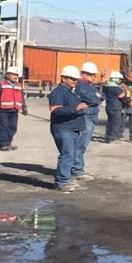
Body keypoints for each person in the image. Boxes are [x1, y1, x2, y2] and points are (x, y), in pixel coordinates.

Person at [48, 65, 89, 193]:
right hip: (63, 129)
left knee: (71, 155)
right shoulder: (58, 92)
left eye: (76, 80)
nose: (75, 82)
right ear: (64, 78)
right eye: (72, 79)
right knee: (67, 155)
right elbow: (55, 110)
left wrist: (79, 127)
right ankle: (61, 181)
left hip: (72, 129)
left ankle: (66, 178)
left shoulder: (71, 92)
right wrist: (75, 109)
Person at [72, 61, 102, 180]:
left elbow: (101, 95)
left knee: (83, 143)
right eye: (91, 74)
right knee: (81, 144)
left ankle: (77, 167)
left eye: (94, 75)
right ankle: (76, 169)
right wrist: (97, 98)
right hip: (85, 115)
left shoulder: (90, 85)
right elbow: (93, 99)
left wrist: (97, 97)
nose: (94, 77)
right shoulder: (81, 85)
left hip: (92, 114)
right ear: (83, 74)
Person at [0, 66, 28, 151]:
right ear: (7, 75)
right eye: (13, 74)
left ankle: (8, 143)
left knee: (13, 127)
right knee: (3, 127)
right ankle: (3, 144)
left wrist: (24, 107)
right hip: (3, 110)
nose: (15, 76)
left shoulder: (18, 85)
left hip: (14, 110)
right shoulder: (0, 85)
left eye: (16, 75)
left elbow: (21, 97)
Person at [102, 71, 125, 144]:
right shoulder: (115, 87)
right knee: (116, 122)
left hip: (109, 106)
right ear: (115, 79)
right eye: (119, 79)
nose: (120, 81)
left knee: (110, 122)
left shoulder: (107, 86)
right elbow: (120, 95)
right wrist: (126, 93)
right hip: (115, 107)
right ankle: (113, 138)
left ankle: (107, 137)